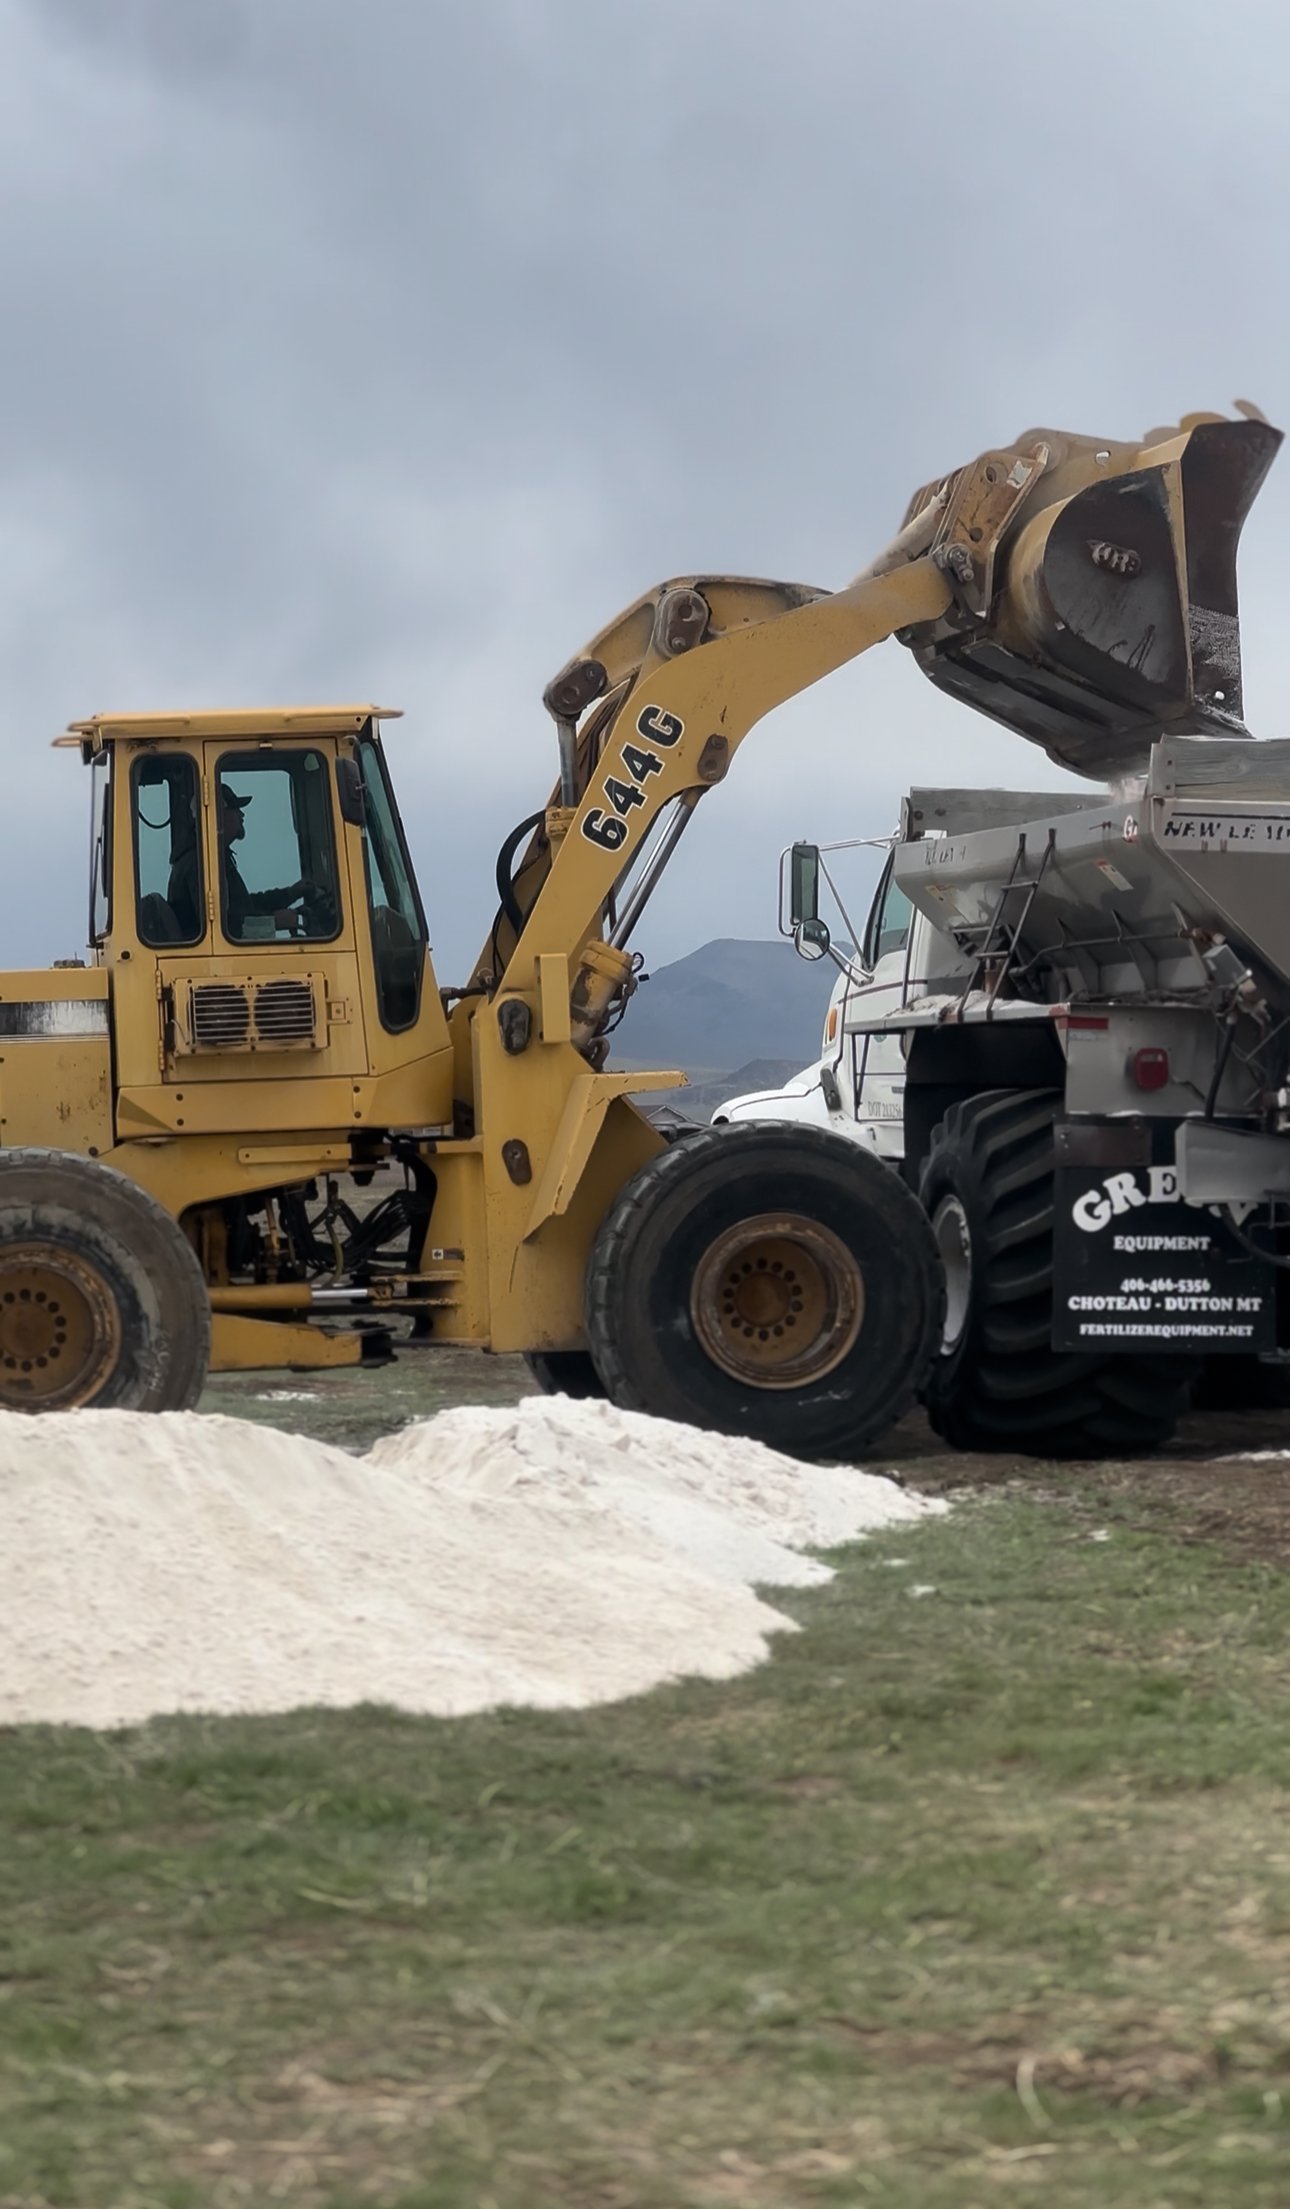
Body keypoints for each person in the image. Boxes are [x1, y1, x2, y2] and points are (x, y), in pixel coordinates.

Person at [219, 787, 308, 938]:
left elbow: (245, 906)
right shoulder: (199, 868)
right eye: (235, 808)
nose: (242, 814)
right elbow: (229, 930)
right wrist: (273, 923)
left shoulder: (218, 860)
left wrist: (290, 893)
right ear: (218, 815)